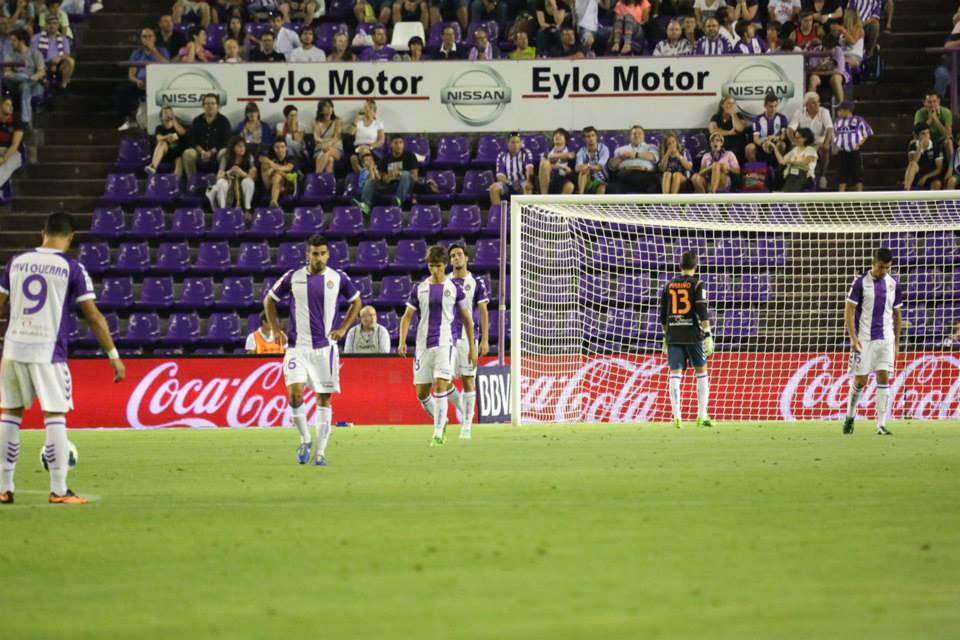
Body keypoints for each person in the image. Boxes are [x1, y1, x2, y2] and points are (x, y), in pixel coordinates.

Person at [0, 212, 126, 505]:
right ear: (70, 237)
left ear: (42, 232)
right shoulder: (72, 267)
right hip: (48, 351)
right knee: (54, 416)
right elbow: (93, 316)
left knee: (10, 414)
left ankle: (4, 488)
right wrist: (113, 355)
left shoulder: (16, 263)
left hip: (14, 348)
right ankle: (59, 490)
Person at [264, 235, 362, 465]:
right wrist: (277, 330)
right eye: (314, 253)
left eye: (323, 253)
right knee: (295, 393)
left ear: (328, 254)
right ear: (307, 255)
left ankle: (320, 452)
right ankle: (305, 438)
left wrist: (344, 327)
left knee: (323, 399)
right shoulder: (293, 277)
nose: (319, 258)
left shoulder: (338, 278)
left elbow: (357, 302)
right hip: (297, 347)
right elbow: (269, 300)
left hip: (325, 350)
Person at [397, 245, 477, 447]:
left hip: (445, 343)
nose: (435, 270)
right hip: (423, 345)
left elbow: (468, 320)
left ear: (445, 265)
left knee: (440, 385)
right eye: (432, 266)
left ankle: (438, 433)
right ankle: (445, 417)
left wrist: (473, 347)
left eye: (439, 266)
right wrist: (402, 341)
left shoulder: (454, 289)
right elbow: (407, 317)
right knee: (422, 393)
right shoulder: (419, 288)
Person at [842, 247, 901, 436]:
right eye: (881, 267)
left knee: (884, 377)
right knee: (860, 380)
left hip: (886, 339)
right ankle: (850, 416)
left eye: (888, 268)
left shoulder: (893, 284)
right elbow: (849, 310)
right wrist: (853, 337)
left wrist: (897, 343)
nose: (884, 271)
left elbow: (897, 314)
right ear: (873, 264)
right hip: (864, 339)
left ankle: (881, 425)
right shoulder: (860, 283)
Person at [660, 251, 713, 429]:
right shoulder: (698, 284)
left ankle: (677, 417)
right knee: (701, 374)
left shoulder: (668, 285)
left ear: (679, 266)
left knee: (675, 374)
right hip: (692, 335)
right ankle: (702, 415)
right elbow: (701, 308)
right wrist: (707, 333)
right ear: (696, 266)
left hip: (674, 335)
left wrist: (665, 337)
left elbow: (663, 315)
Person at [445, 244, 489, 439]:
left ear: (466, 258)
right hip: (447, 337)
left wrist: (484, 340)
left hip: (468, 338)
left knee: (468, 380)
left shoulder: (476, 282)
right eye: (453, 256)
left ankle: (467, 426)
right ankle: (464, 409)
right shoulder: (444, 282)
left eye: (459, 255)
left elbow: (483, 312)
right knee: (443, 381)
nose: (456, 258)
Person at [116, 28, 169, 132]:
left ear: (154, 38)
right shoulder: (136, 53)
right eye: (144, 36)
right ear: (141, 39)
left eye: (150, 36)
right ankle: (130, 120)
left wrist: (154, 51)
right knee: (121, 91)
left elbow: (166, 66)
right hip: (141, 84)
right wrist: (137, 81)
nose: (148, 39)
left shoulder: (162, 50)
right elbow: (131, 75)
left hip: (158, 84)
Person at [355, 136, 418, 213]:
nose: (398, 145)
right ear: (391, 144)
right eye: (395, 143)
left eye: (401, 143)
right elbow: (382, 176)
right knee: (370, 181)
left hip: (406, 186)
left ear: (403, 144)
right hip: (390, 186)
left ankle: (398, 201)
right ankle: (366, 206)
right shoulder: (385, 159)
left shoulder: (410, 156)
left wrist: (399, 174)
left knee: (405, 173)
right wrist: (386, 178)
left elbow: (414, 177)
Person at [788, 91, 833, 189]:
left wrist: (826, 143)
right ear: (806, 104)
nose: (817, 104)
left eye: (818, 102)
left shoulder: (824, 112)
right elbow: (790, 129)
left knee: (824, 149)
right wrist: (794, 141)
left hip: (819, 142)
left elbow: (829, 128)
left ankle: (822, 176)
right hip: (805, 143)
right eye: (813, 102)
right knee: (794, 149)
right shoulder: (799, 113)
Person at [183, 93, 231, 178]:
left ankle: (220, 179)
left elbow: (226, 141)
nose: (210, 106)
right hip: (200, 152)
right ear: (203, 106)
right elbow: (192, 140)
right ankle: (193, 182)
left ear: (217, 106)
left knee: (225, 152)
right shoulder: (197, 121)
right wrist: (202, 152)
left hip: (216, 152)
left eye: (213, 103)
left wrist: (211, 152)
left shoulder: (224, 121)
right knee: (188, 153)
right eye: (207, 103)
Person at [4, 29, 44, 127]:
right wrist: (25, 78)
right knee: (21, 81)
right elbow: (7, 72)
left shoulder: (35, 53)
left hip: (34, 85)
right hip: (16, 83)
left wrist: (32, 78)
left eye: (14, 40)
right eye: (10, 40)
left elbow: (41, 72)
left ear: (21, 41)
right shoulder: (10, 54)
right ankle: (26, 121)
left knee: (25, 86)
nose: (11, 43)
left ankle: (26, 120)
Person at [209, 136, 257, 213]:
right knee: (221, 183)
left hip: (242, 184)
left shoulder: (249, 157)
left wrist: (242, 173)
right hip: (229, 182)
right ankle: (222, 209)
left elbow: (253, 177)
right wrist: (229, 172)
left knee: (248, 182)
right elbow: (219, 176)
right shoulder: (226, 157)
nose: (242, 148)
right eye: (239, 146)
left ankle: (247, 209)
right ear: (233, 148)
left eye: (243, 146)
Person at [832, 100, 872, 192]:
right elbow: (834, 135)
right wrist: (837, 144)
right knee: (842, 175)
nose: (838, 112)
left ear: (847, 110)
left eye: (840, 110)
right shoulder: (837, 122)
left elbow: (868, 132)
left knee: (858, 175)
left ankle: (860, 198)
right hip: (842, 152)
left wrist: (860, 143)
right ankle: (840, 199)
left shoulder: (858, 120)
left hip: (854, 152)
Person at [608, 125, 660, 194]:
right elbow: (611, 167)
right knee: (612, 188)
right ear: (630, 136)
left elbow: (653, 157)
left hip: (645, 176)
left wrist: (636, 154)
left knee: (655, 189)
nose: (637, 135)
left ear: (644, 136)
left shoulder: (651, 147)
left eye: (639, 133)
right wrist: (622, 157)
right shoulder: (621, 149)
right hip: (625, 177)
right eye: (634, 133)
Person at [490, 132, 534, 205]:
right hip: (507, 183)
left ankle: (526, 213)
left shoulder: (526, 153)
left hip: (522, 182)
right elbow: (500, 176)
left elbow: (529, 169)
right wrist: (511, 183)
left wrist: (529, 181)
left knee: (527, 186)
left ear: (521, 143)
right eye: (513, 142)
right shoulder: (501, 155)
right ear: (507, 143)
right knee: (493, 188)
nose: (515, 145)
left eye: (517, 142)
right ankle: (498, 213)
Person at [31, 14, 73, 90]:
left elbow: (67, 54)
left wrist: (59, 58)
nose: (52, 26)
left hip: (58, 63)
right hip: (41, 63)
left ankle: (63, 86)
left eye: (54, 23)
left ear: (58, 26)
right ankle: (44, 84)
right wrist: (44, 63)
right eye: (49, 23)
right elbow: (33, 54)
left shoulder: (63, 39)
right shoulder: (36, 38)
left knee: (70, 61)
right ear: (45, 25)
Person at [768, 126, 817, 191]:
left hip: (805, 177)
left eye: (798, 138)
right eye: (795, 137)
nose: (795, 139)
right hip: (792, 176)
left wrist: (791, 161)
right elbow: (782, 161)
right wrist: (774, 147)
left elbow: (805, 162)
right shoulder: (794, 150)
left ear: (805, 138)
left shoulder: (811, 150)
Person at [913, 91, 954, 168]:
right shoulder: (919, 113)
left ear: (938, 102)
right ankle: (915, 170)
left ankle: (951, 169)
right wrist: (930, 119)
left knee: (949, 141)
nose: (932, 105)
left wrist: (935, 119)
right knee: (914, 142)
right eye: (929, 102)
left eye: (934, 102)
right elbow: (916, 134)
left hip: (941, 141)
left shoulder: (946, 112)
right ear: (924, 103)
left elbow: (948, 134)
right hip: (926, 140)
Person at [745, 93, 788, 164]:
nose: (773, 109)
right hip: (762, 144)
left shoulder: (782, 118)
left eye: (775, 106)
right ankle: (755, 171)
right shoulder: (758, 118)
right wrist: (763, 144)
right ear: (765, 106)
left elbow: (783, 135)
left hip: (775, 143)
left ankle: (779, 170)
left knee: (782, 145)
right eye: (770, 106)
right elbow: (755, 138)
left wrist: (777, 138)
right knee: (749, 148)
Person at [145, 105, 187, 178]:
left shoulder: (177, 125)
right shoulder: (160, 128)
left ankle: (176, 182)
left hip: (177, 152)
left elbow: (182, 132)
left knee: (179, 160)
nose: (167, 114)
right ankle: (153, 167)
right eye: (165, 112)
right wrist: (169, 136)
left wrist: (174, 120)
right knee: (162, 143)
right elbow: (159, 138)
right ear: (161, 117)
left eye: (169, 112)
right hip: (165, 152)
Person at [806, 32, 849, 102]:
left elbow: (838, 71)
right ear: (823, 46)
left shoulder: (838, 51)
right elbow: (812, 70)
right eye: (828, 48)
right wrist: (821, 68)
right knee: (813, 78)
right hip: (820, 77)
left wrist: (821, 71)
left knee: (836, 78)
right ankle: (811, 105)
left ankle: (841, 107)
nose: (830, 50)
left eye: (832, 48)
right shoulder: (816, 51)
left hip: (833, 76)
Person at [260, 138, 301, 207]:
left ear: (286, 148)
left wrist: (273, 167)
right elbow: (261, 158)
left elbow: (288, 168)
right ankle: (273, 202)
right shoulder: (272, 158)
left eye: (282, 147)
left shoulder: (292, 158)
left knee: (277, 175)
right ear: (273, 148)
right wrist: (270, 163)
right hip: (271, 184)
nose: (280, 150)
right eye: (277, 147)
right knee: (264, 166)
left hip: (288, 185)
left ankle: (273, 201)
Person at [903, 123, 943, 191]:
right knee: (912, 164)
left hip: (931, 175)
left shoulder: (936, 146)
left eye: (927, 133)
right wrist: (920, 146)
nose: (926, 136)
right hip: (917, 174)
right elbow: (913, 161)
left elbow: (939, 169)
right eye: (923, 133)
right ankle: (906, 191)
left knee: (937, 183)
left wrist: (926, 177)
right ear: (917, 136)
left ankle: (932, 201)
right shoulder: (913, 145)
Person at [708, 94, 747, 161]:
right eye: (728, 103)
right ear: (722, 105)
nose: (731, 105)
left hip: (736, 146)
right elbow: (713, 130)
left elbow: (740, 128)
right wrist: (729, 132)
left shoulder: (739, 116)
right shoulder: (716, 117)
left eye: (733, 103)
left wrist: (733, 114)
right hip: (720, 146)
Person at [538, 127, 576, 195]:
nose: (557, 136)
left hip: (562, 179)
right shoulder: (547, 152)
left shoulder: (570, 152)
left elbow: (572, 169)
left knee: (569, 186)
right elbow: (543, 165)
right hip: (547, 179)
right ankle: (544, 198)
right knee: (545, 163)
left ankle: (557, 205)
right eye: (555, 135)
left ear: (565, 140)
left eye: (560, 135)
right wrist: (560, 166)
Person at [575, 126, 610, 194]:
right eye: (588, 136)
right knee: (584, 171)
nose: (591, 138)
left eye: (593, 135)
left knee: (601, 187)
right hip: (587, 179)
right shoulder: (581, 151)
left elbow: (599, 167)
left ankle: (596, 204)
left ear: (596, 137)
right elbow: (577, 168)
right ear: (584, 139)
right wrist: (585, 167)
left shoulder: (604, 149)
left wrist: (587, 166)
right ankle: (580, 197)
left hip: (601, 179)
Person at [313, 98, 342, 174]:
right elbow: (316, 138)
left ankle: (316, 176)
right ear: (321, 110)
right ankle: (330, 185)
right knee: (330, 160)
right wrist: (324, 143)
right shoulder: (317, 122)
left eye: (330, 106)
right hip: (320, 149)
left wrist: (327, 144)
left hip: (336, 148)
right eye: (326, 106)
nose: (329, 108)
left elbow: (336, 137)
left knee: (327, 152)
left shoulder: (337, 120)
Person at [0, 97, 23, 189]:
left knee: (4, 167)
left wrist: (3, 158)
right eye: (7, 104)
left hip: (13, 152)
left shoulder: (16, 121)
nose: (11, 107)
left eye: (11, 105)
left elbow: (15, 145)